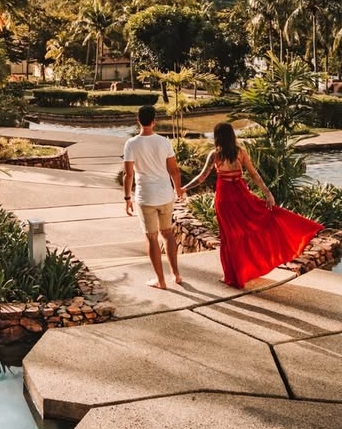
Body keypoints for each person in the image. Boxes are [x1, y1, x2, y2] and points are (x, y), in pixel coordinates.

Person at [182, 121, 322, 288]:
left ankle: (234, 276)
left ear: (218, 137)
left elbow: (201, 178)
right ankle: (244, 271)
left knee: (230, 237)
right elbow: (254, 175)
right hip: (241, 196)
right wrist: (268, 194)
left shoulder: (215, 155)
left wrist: (184, 188)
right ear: (232, 136)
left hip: (225, 199)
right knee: (254, 226)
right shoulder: (240, 152)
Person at [122, 105, 184, 290]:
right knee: (167, 233)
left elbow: (128, 174)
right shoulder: (164, 142)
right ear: (154, 121)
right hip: (165, 195)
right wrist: (178, 189)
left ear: (138, 120)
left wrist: (127, 198)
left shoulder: (131, 144)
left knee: (151, 237)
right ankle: (176, 274)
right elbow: (174, 170)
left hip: (146, 196)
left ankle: (161, 281)